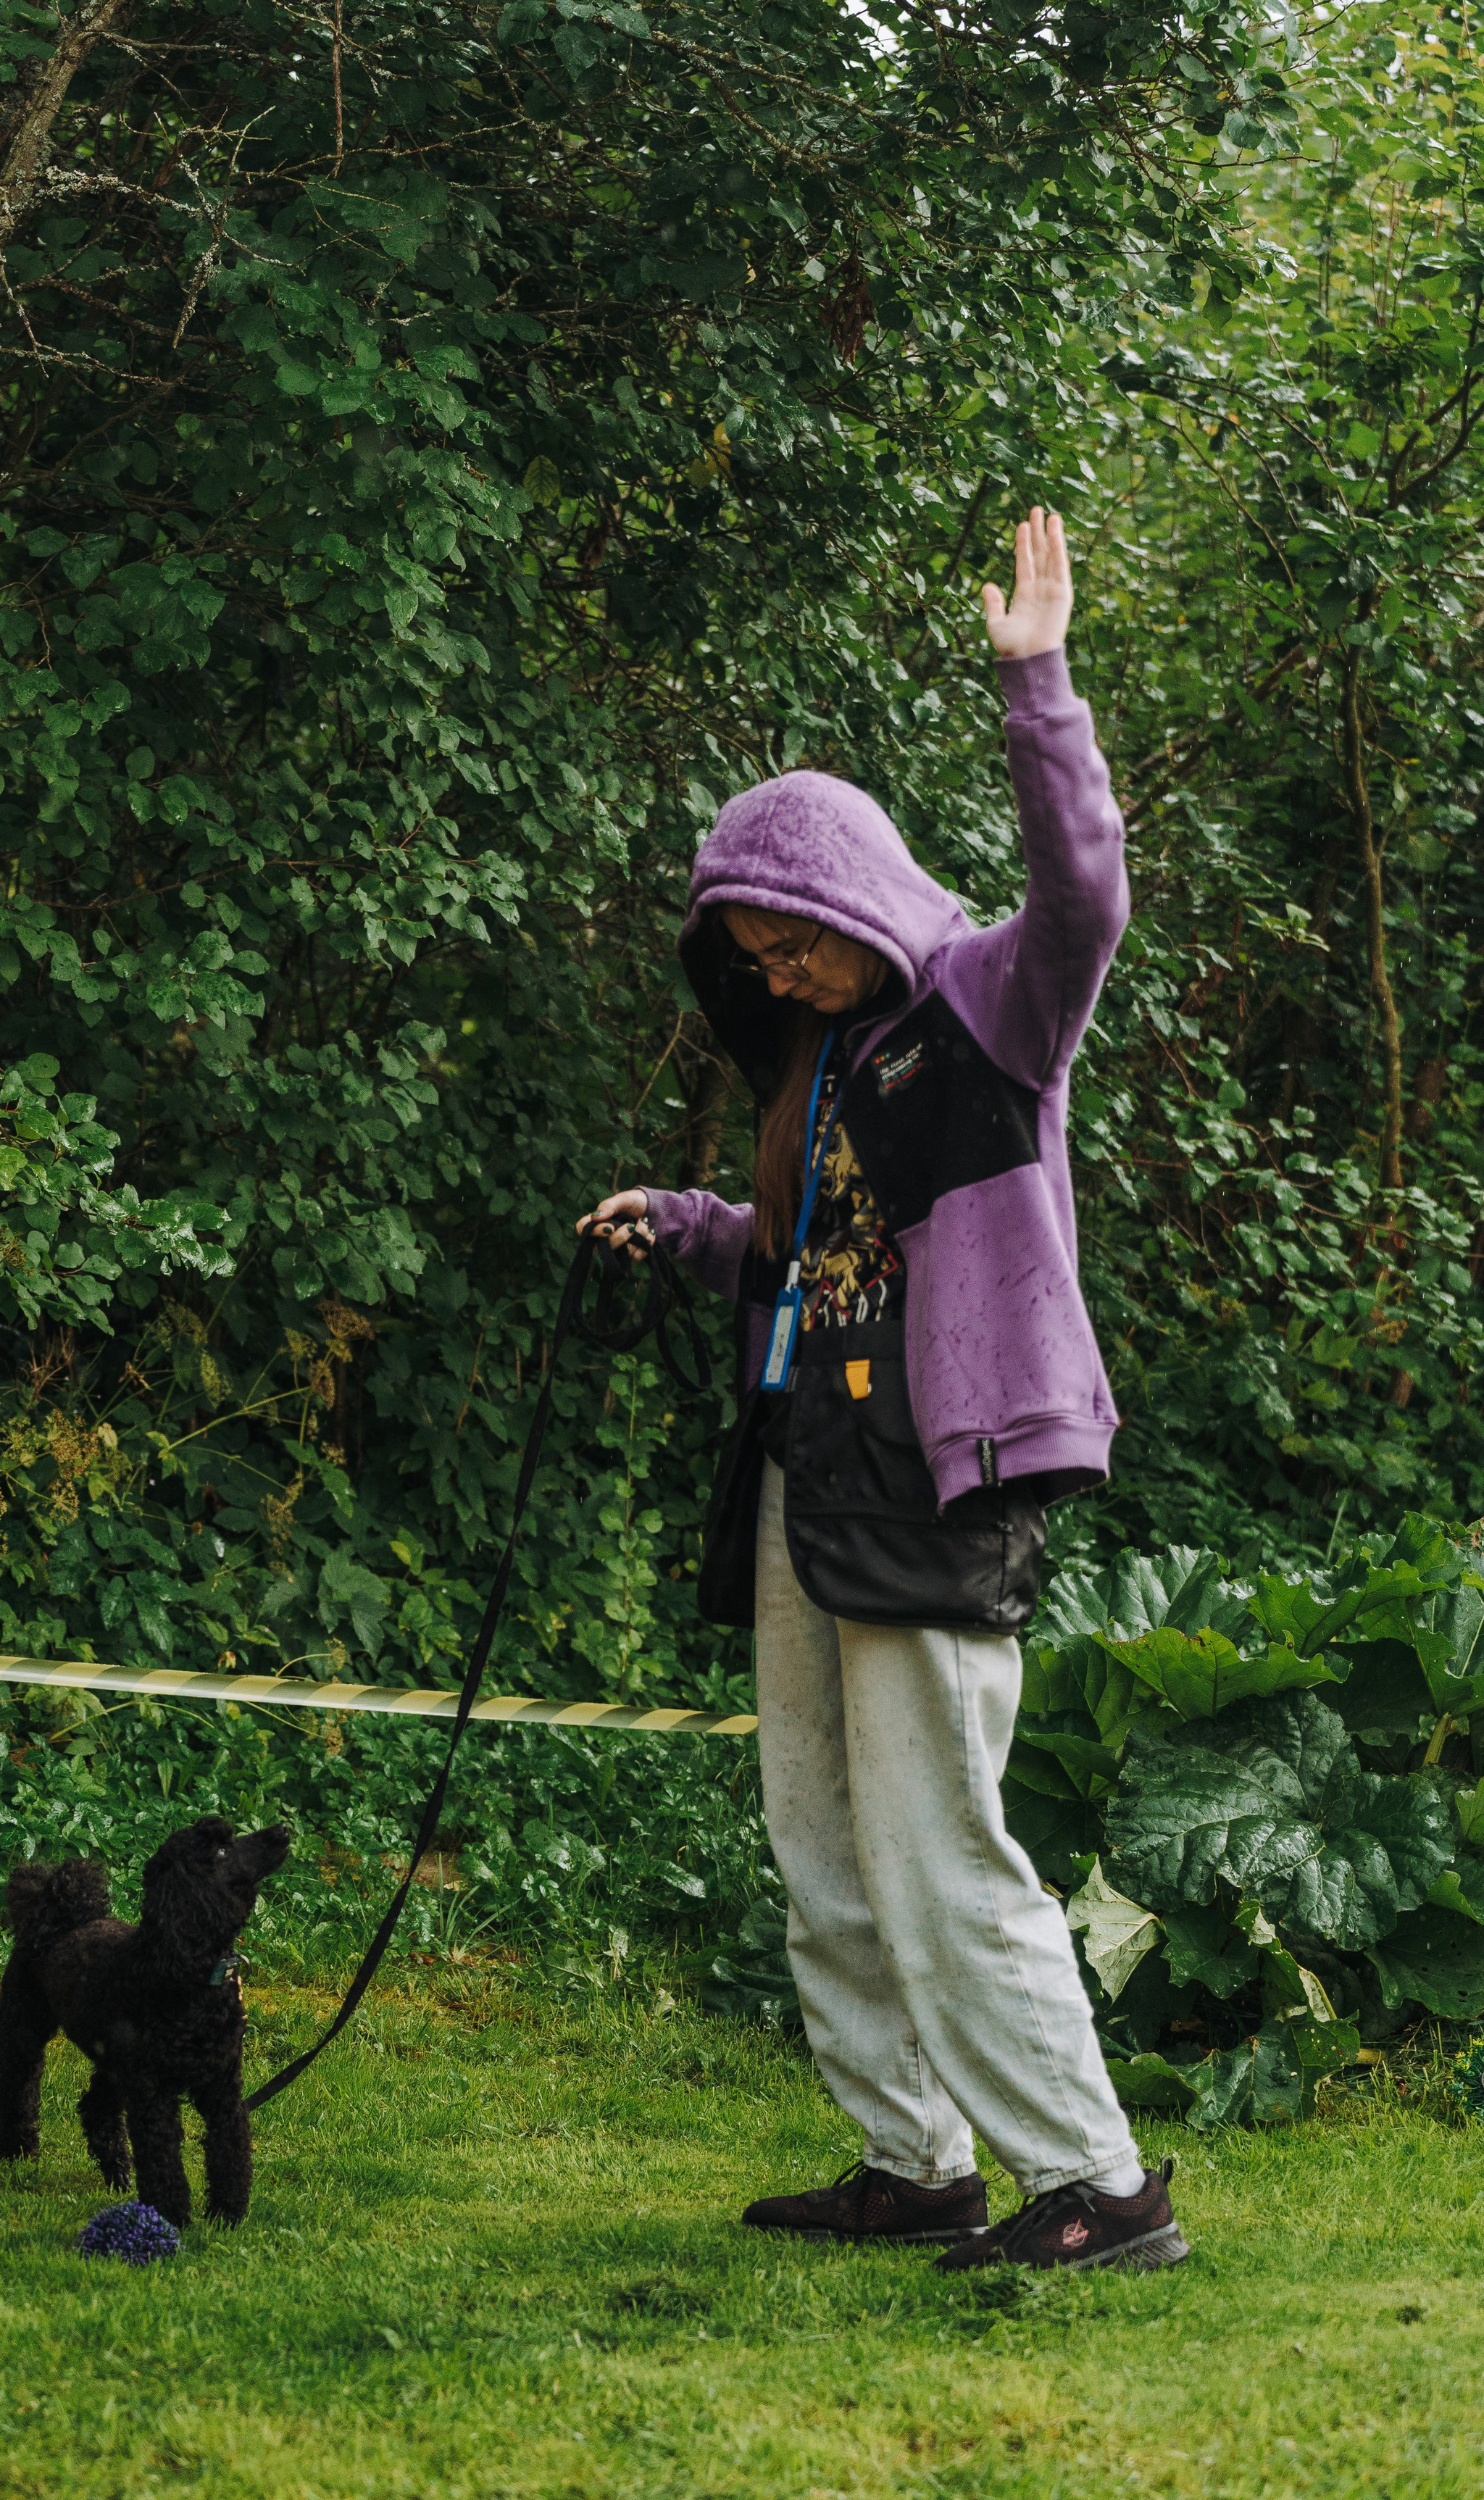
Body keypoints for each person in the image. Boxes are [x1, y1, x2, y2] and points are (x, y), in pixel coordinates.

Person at [578, 510, 1188, 2275]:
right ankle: (910, 2158)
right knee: (822, 1833)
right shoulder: (823, 1058)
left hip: (940, 1473)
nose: (769, 974)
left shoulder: (992, 1004)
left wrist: (1037, 684)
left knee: (937, 1839)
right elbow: (815, 1256)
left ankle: (1094, 2181)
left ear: (850, 899)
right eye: (750, 955)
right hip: (805, 1460)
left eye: (789, 942)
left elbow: (1086, 889)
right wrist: (693, 1227)